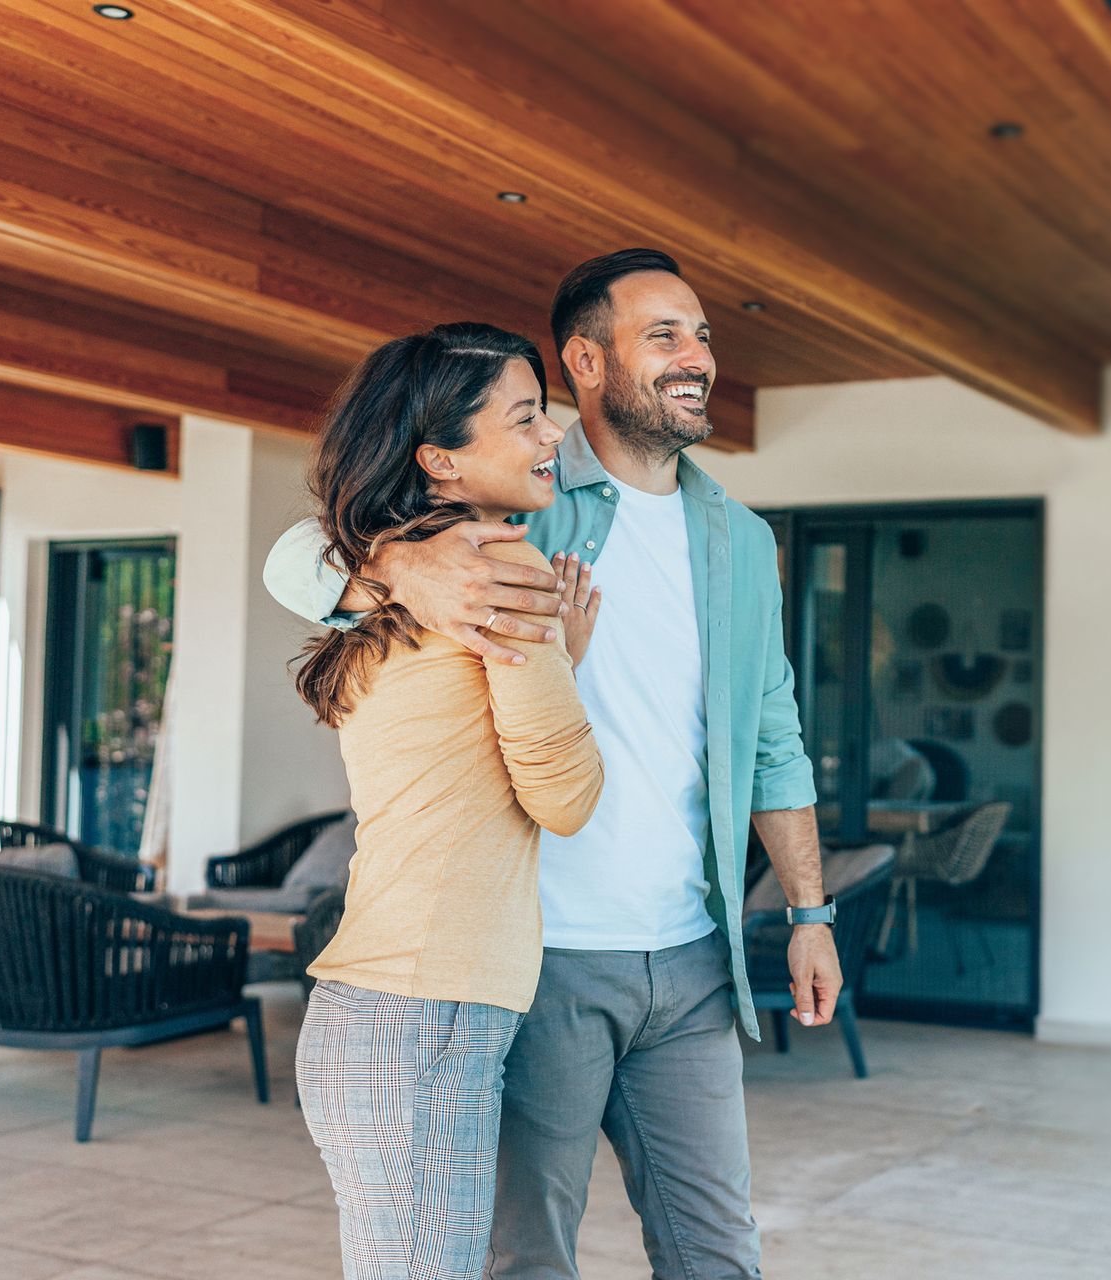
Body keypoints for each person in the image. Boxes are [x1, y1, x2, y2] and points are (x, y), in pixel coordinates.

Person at [266, 249, 841, 1279]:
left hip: (692, 956)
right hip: (542, 962)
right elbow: (296, 554)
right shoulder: (521, 503)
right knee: (525, 1256)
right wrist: (396, 561)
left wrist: (808, 911)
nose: (696, 356)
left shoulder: (741, 540)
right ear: (586, 359)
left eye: (703, 333)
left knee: (721, 1254)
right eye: (663, 335)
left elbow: (771, 734)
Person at [290, 322, 605, 1280]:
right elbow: (565, 798)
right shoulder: (498, 570)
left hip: (383, 1010)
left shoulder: (393, 578)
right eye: (525, 418)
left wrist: (552, 662)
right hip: (423, 1012)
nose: (554, 435)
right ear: (442, 460)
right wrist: (562, 660)